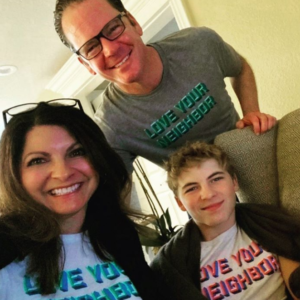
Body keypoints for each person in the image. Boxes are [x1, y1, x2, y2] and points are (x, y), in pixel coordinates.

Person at [53, 0, 277, 173]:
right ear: (86, 64)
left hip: (251, 162)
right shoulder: (111, 125)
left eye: (112, 28)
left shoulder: (199, 43)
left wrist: (251, 112)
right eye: (91, 47)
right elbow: (115, 195)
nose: (110, 50)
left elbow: (241, 68)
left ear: (133, 22)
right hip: (203, 202)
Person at [0, 100, 173, 300]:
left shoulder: (119, 235)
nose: (63, 173)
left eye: (77, 152)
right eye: (38, 160)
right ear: (15, 175)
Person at [150, 141, 300, 300]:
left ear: (234, 183)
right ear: (180, 203)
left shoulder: (269, 222)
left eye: (215, 179)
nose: (207, 194)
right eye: (192, 188)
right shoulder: (172, 264)